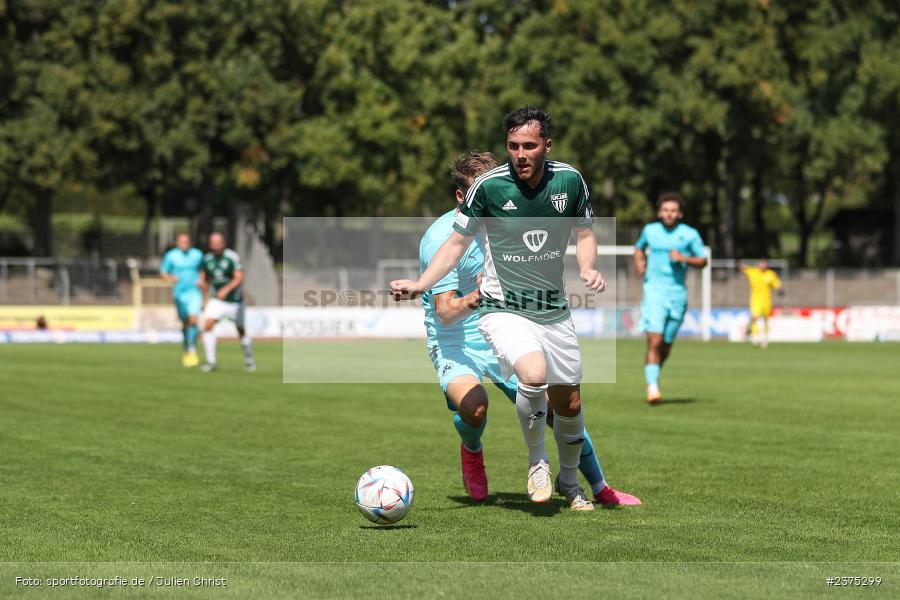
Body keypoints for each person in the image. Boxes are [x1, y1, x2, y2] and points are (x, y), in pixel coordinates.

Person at [392, 106, 606, 511]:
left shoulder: (569, 181)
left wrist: (588, 267)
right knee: (518, 383)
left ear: (547, 145)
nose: (520, 154)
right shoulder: (484, 194)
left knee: (570, 405)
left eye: (528, 145)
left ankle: (576, 482)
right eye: (513, 146)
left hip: (551, 309)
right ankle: (533, 462)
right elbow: (452, 261)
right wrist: (420, 284)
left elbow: (585, 232)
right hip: (489, 317)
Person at [421, 150, 641, 507]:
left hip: (513, 326)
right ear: (463, 197)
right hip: (458, 340)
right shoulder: (439, 241)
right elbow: (445, 313)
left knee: (561, 407)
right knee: (475, 408)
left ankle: (600, 487)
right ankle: (472, 447)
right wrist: (481, 295)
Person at [633, 192, 708, 404]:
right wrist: (639, 262)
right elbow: (638, 248)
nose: (669, 214)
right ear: (659, 212)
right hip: (654, 293)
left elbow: (703, 261)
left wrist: (683, 258)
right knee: (654, 341)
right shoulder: (650, 230)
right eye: (665, 210)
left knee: (665, 346)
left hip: (677, 296)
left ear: (680, 214)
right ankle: (653, 387)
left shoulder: (689, 234)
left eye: (673, 211)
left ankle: (653, 372)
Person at [199, 232, 255, 372]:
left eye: (218, 243)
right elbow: (205, 280)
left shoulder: (232, 257)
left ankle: (249, 358)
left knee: (240, 329)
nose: (215, 246)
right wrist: (202, 297)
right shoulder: (207, 259)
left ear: (223, 243)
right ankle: (211, 362)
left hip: (235, 301)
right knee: (208, 326)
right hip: (217, 301)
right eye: (213, 243)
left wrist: (226, 289)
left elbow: (239, 278)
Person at [160, 232, 203, 367]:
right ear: (177, 243)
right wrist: (170, 278)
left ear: (190, 242)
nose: (184, 244)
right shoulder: (171, 255)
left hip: (194, 292)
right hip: (179, 293)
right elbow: (162, 273)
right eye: (181, 242)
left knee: (193, 319)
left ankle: (192, 349)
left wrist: (202, 279)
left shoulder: (197, 254)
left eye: (186, 241)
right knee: (185, 322)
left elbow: (203, 270)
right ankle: (187, 345)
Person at [741, 258, 782, 348]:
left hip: (767, 300)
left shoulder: (770, 274)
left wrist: (779, 291)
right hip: (755, 299)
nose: (763, 266)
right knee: (755, 317)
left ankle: (765, 338)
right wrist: (742, 267)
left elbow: (777, 284)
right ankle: (755, 336)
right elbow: (743, 269)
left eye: (764, 264)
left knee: (765, 319)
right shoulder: (753, 272)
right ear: (758, 265)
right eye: (761, 264)